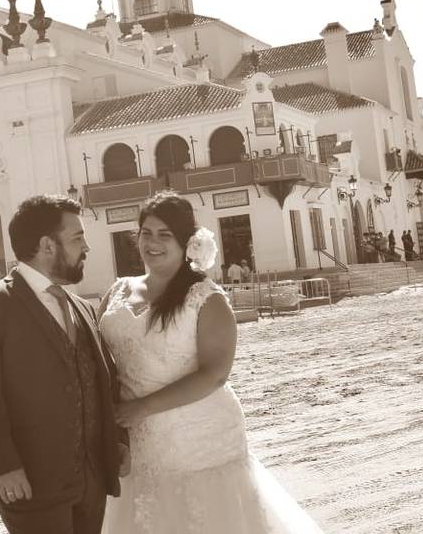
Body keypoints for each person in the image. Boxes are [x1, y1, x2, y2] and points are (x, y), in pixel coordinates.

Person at [98, 191, 322, 533]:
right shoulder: (117, 291)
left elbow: (215, 374)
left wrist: (144, 407)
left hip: (198, 436)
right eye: (146, 233)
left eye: (165, 235)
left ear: (187, 242)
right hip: (137, 437)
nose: (153, 243)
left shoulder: (206, 298)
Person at [0, 195, 128, 534]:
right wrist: (4, 466)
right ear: (47, 245)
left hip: (92, 480)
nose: (87, 247)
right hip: (29, 481)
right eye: (78, 238)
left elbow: (105, 380)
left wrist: (118, 441)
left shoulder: (83, 307)